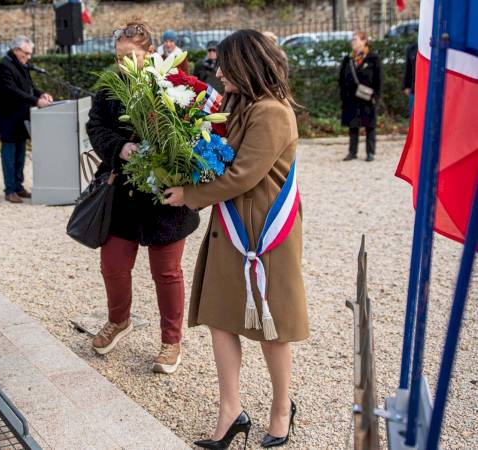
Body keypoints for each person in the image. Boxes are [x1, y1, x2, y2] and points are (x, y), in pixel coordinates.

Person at [163, 30, 308, 448]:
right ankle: (231, 412)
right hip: (231, 225)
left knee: (271, 324)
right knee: (221, 317)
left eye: (226, 64)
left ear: (246, 66)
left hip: (263, 232)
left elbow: (242, 174)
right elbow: (214, 153)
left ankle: (281, 409)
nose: (220, 71)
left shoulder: (273, 112)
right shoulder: (238, 103)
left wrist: (188, 196)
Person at [86, 19, 199, 374]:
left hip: (166, 193)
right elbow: (95, 126)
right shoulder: (108, 88)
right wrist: (121, 147)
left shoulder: (172, 82)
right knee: (113, 266)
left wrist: (172, 156)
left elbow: (194, 127)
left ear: (149, 52)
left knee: (166, 272)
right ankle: (119, 321)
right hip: (122, 191)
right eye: (118, 58)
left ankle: (171, 341)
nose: (123, 64)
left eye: (130, 56)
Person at [0, 35, 54, 204]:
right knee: (9, 154)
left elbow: (29, 87)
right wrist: (36, 101)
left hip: (22, 117)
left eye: (30, 54)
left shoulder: (22, 65)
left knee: (20, 153)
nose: (28, 57)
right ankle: (10, 189)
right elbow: (11, 90)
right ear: (16, 50)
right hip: (8, 118)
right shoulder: (3, 66)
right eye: (26, 53)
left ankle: (19, 186)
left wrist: (41, 93)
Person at [338, 31, 381, 162]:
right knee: (353, 125)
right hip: (351, 98)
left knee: (370, 126)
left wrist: (376, 96)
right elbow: (341, 78)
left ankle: (370, 152)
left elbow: (379, 79)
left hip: (368, 97)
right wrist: (343, 95)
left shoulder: (373, 58)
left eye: (356, 40)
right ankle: (352, 151)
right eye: (352, 40)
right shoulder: (348, 59)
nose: (353, 42)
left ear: (364, 41)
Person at [403, 42, 418, 117]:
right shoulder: (411, 49)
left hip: (431, 89)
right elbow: (408, 69)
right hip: (414, 90)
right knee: (414, 118)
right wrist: (406, 86)